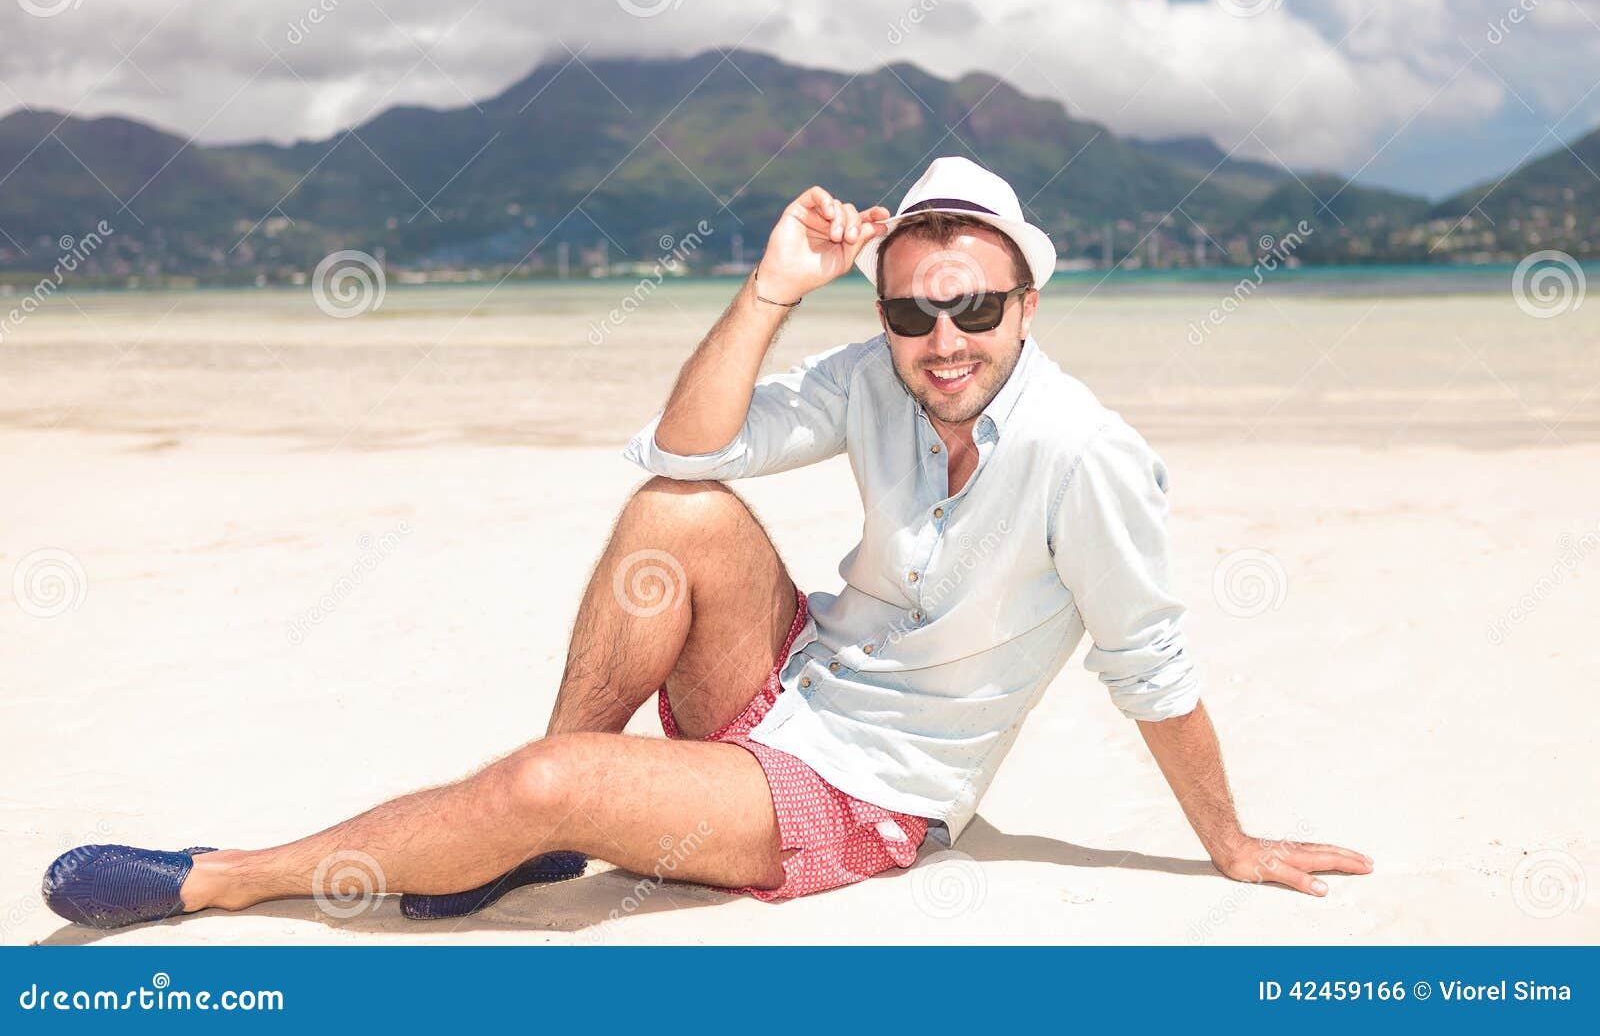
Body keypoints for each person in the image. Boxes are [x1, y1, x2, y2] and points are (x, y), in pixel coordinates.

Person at [42, 157, 1371, 929]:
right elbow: (680, 453)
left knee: (549, 780)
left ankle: (220, 876)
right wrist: (773, 289)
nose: (943, 341)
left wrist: (1235, 841)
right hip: (787, 687)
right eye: (914, 313)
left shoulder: (1085, 454)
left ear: (1029, 298)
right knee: (673, 517)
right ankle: (540, 827)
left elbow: (1151, 661)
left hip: (863, 792)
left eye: (973, 307)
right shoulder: (881, 375)